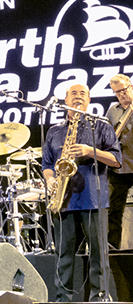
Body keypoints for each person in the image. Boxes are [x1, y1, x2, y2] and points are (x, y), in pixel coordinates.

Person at [42, 83, 121, 302]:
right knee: (63, 256)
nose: (78, 97)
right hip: (64, 200)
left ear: (89, 100)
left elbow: (116, 160)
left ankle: (100, 298)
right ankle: (62, 299)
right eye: (73, 94)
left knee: (98, 254)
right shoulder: (54, 131)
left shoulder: (102, 126)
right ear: (66, 100)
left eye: (83, 94)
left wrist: (90, 151)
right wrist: (50, 179)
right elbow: (47, 164)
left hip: (93, 199)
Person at [107, 73, 133, 250]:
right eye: (117, 92)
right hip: (119, 168)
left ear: (131, 87)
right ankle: (112, 250)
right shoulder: (112, 111)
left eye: (124, 90)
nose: (121, 94)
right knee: (113, 211)